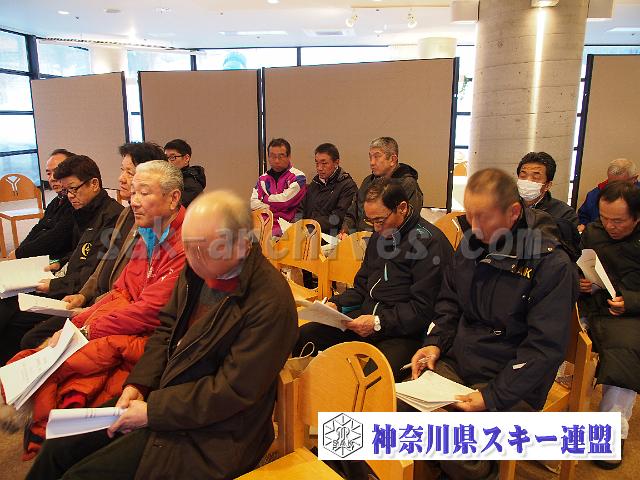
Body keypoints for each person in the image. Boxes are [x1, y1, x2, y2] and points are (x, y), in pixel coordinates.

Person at [27, 190, 298, 480]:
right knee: (58, 446)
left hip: (217, 430)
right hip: (169, 396)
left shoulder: (270, 302)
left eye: (202, 249)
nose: (191, 258)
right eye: (188, 247)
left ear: (241, 245)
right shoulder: (199, 267)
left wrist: (152, 411)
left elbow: (232, 392)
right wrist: (139, 383)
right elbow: (166, 329)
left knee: (83, 475)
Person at [8, 160, 187, 459]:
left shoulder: (184, 242)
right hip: (121, 316)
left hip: (156, 335)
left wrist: (87, 329)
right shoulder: (149, 230)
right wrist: (78, 322)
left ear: (173, 198)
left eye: (143, 192)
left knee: (72, 369)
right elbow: (121, 288)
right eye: (133, 190)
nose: (133, 199)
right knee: (52, 349)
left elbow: (150, 311)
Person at [410, 168, 578, 479]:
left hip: (514, 378)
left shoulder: (551, 263)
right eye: (469, 215)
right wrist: (434, 343)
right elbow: (449, 303)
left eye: (483, 217)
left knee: (454, 442)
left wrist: (492, 396)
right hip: (462, 360)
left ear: (513, 212)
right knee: (403, 408)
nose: (473, 227)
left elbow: (544, 348)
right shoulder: (472, 243)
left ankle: (476, 468)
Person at [294, 178, 453, 380]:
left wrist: (378, 322)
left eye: (380, 220)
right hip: (366, 320)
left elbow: (422, 310)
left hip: (404, 332)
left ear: (402, 208)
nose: (376, 228)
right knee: (306, 336)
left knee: (372, 378)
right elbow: (362, 287)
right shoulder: (380, 236)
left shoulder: (430, 243)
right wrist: (336, 305)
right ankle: (304, 393)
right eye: (371, 221)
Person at [0, 155, 123, 364]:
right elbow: (79, 250)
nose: (70, 197)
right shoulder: (83, 211)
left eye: (74, 189)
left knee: (15, 316)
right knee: (7, 301)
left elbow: (94, 270)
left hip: (75, 293)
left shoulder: (112, 217)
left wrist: (55, 285)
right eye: (66, 191)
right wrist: (61, 261)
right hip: (65, 281)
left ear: (94, 184)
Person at [578, 181, 640, 470]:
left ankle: (611, 433)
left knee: (624, 358)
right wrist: (582, 282)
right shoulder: (593, 232)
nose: (610, 226)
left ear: (637, 217)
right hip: (592, 304)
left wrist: (630, 301)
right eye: (604, 218)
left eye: (618, 221)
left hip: (629, 315)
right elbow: (579, 263)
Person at [340, 137, 423, 236]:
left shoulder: (407, 184)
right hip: (358, 239)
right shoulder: (368, 181)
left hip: (387, 240)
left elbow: (407, 223)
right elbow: (352, 212)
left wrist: (373, 239)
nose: (372, 162)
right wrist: (345, 231)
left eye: (377, 157)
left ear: (392, 159)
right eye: (370, 157)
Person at [8, 148, 75, 262]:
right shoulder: (56, 201)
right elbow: (38, 228)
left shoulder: (76, 202)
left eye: (58, 171)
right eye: (48, 173)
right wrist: (20, 251)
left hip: (62, 260)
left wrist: (20, 254)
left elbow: (57, 238)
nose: (52, 178)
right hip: (47, 257)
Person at [516, 151, 581, 259]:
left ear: (547, 185)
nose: (528, 181)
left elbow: (569, 252)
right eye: (523, 176)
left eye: (535, 177)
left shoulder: (564, 213)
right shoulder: (506, 207)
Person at [297, 143, 357, 236]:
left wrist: (310, 225)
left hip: (330, 236)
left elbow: (337, 218)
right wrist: (296, 224)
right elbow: (301, 208)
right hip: (307, 233)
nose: (319, 168)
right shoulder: (315, 183)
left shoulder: (347, 185)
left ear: (336, 163)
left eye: (324, 163)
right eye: (317, 163)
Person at [251, 138, 306, 236]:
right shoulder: (262, 179)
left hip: (288, 226)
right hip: (264, 224)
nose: (276, 161)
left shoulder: (298, 177)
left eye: (281, 156)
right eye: (272, 156)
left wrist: (264, 198)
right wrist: (271, 206)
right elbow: (253, 203)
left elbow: (284, 201)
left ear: (289, 156)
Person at [578, 158, 639, 232]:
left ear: (634, 179)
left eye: (620, 183)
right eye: (611, 182)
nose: (615, 187)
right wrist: (585, 227)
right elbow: (583, 217)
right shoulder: (594, 195)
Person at [164, 139, 206, 207]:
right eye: (166, 158)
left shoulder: (190, 185)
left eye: (172, 157)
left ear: (186, 158)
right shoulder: (173, 180)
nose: (168, 162)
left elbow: (172, 207)